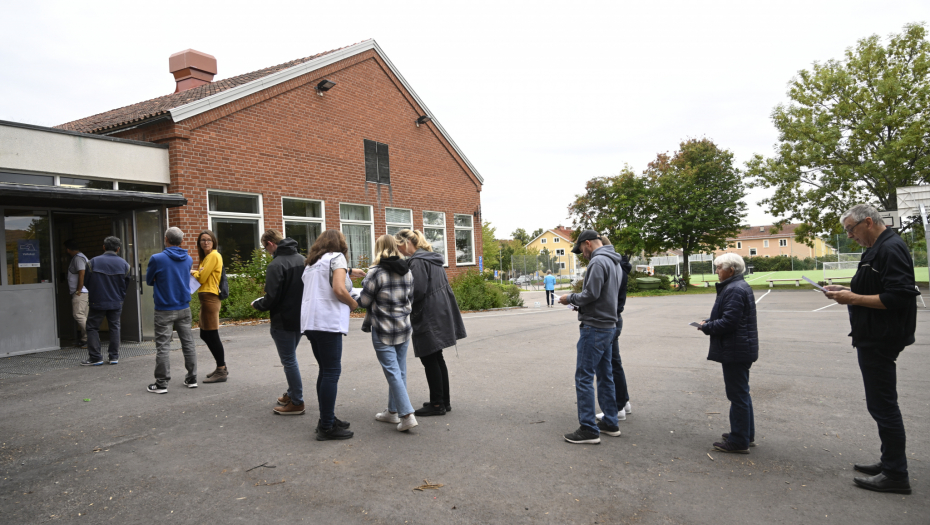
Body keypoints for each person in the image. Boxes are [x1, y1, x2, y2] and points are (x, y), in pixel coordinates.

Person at [824, 204, 917, 495]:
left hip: (881, 338)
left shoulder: (890, 248)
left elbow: (899, 295)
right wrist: (845, 290)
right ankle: (889, 462)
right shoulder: (878, 247)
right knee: (881, 404)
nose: (850, 236)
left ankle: (895, 474)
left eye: (851, 229)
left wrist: (852, 298)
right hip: (874, 335)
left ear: (868, 222)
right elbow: (875, 286)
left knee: (883, 405)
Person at [558, 230, 623, 444]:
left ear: (588, 243)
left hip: (594, 326)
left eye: (581, 250)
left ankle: (588, 428)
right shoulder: (614, 261)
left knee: (584, 377)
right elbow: (604, 294)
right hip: (609, 325)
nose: (582, 254)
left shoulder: (597, 262)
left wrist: (570, 298)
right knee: (606, 375)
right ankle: (610, 422)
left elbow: (591, 294)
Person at [394, 229, 466, 417]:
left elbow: (417, 291)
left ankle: (436, 404)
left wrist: (399, 297)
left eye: (400, 245)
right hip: (439, 311)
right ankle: (443, 400)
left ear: (409, 242)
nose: (400, 250)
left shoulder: (417, 261)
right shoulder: (431, 258)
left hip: (428, 313)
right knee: (437, 357)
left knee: (429, 357)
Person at [697, 253, 758, 454]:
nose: (716, 272)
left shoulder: (734, 289)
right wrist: (710, 321)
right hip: (740, 347)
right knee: (741, 393)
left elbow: (729, 322)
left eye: (719, 268)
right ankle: (745, 434)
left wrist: (707, 327)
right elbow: (729, 316)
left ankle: (739, 440)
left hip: (736, 348)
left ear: (730, 270)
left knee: (737, 394)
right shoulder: (737, 287)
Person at [301, 229, 358, 440]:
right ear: (341, 244)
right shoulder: (337, 257)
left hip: (310, 322)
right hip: (328, 322)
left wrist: (351, 271)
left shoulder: (310, 264)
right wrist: (353, 304)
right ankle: (327, 426)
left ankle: (327, 417)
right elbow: (339, 289)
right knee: (332, 372)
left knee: (324, 371)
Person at [358, 235, 418, 432]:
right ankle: (392, 412)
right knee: (399, 371)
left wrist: (352, 297)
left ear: (379, 248)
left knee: (393, 372)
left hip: (383, 328)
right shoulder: (407, 271)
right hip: (403, 326)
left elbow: (364, 301)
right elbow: (410, 297)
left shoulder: (375, 272)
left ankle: (407, 415)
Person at [252, 230, 309, 415]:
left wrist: (257, 304)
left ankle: (297, 402)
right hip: (301, 318)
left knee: (289, 360)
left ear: (270, 243)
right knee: (291, 356)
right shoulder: (302, 259)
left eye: (265, 247)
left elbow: (272, 297)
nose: (266, 251)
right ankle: (292, 393)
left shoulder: (276, 265)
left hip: (283, 320)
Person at [145, 227, 197, 394]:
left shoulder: (157, 258)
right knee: (188, 343)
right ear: (181, 240)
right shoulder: (188, 259)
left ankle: (162, 383)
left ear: (166, 238)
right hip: (184, 306)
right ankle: (192, 378)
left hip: (164, 308)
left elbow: (149, 280)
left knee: (163, 346)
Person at [596, 238, 633, 422]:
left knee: (608, 365)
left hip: (609, 319)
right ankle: (623, 401)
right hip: (616, 317)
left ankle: (617, 407)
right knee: (615, 362)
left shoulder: (611, 266)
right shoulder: (620, 266)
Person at [80, 236, 131, 366]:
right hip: (116, 301)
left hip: (97, 300)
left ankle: (96, 357)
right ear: (118, 249)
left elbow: (86, 282)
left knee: (92, 327)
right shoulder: (125, 264)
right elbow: (126, 284)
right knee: (114, 327)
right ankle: (114, 357)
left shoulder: (92, 262)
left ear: (104, 247)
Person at [191, 230, 228, 384]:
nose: (206, 242)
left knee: (212, 334)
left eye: (209, 240)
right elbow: (201, 275)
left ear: (213, 242)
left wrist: (193, 272)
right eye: (203, 240)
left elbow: (202, 277)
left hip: (210, 298)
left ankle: (221, 370)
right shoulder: (206, 258)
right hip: (205, 298)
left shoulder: (213, 255)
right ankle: (221, 367)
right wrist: (197, 271)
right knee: (204, 334)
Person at [64, 239, 89, 348]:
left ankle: (92, 337)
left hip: (81, 292)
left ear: (68, 249)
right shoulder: (81, 257)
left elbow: (82, 273)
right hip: (84, 291)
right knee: (84, 315)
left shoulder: (78, 258)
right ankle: (85, 339)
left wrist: (78, 289)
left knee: (78, 315)